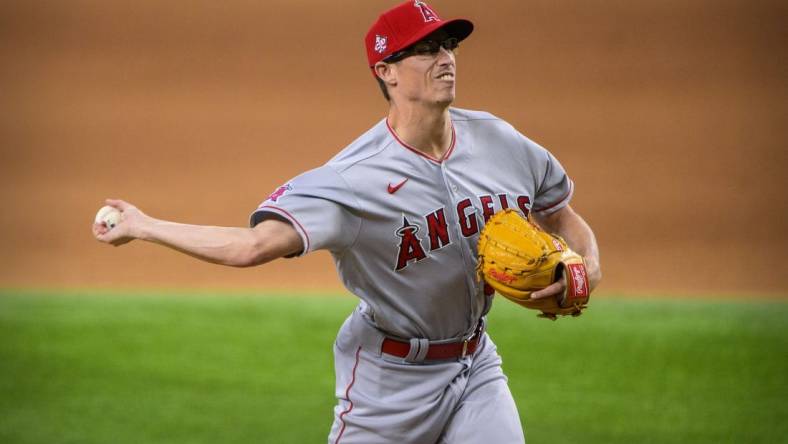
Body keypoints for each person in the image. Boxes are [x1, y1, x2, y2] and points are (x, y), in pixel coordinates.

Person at [93, 1, 601, 443]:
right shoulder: (352, 179)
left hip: (476, 365)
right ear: (387, 71)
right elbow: (252, 246)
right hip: (389, 381)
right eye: (426, 49)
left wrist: (585, 268)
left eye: (448, 44)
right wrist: (145, 225)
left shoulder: (500, 141)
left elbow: (558, 213)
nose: (445, 57)